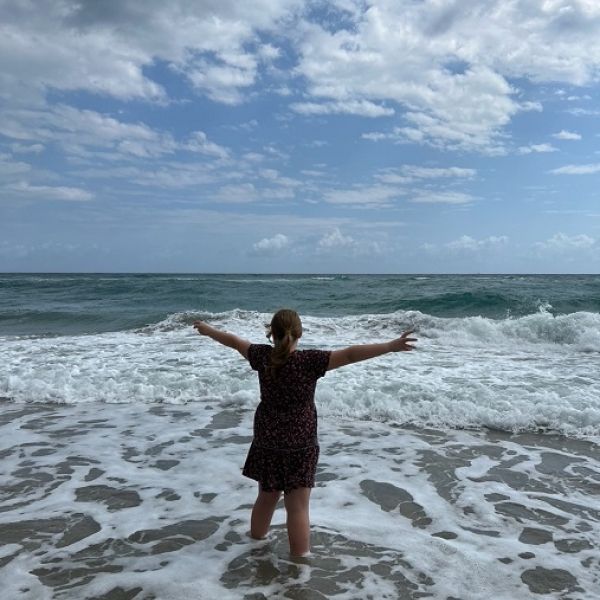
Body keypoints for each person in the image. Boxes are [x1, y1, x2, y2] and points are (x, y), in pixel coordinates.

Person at [193, 309, 416, 557]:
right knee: (297, 507)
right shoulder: (310, 361)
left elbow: (234, 342)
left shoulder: (261, 356)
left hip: (267, 437)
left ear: (271, 333)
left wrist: (207, 330)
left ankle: (255, 546)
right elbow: (351, 354)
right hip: (301, 441)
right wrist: (389, 346)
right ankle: (299, 564)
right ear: (299, 334)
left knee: (266, 497)